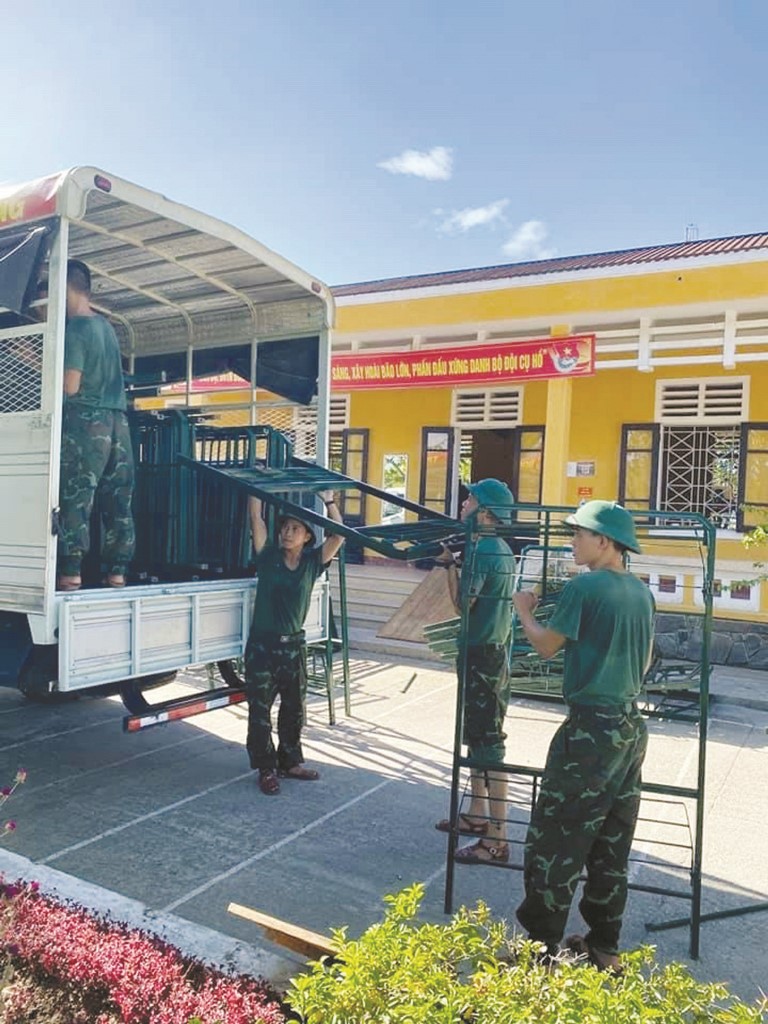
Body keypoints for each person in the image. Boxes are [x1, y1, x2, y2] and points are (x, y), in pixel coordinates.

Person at [512, 500, 655, 972]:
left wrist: (524, 611)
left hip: (590, 730)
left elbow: (546, 645)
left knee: (556, 841)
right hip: (629, 727)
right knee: (611, 843)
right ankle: (604, 947)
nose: (572, 541)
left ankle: (539, 951)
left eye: (579, 534)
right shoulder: (640, 592)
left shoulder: (585, 587)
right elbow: (647, 661)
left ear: (605, 542)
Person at [434, 478, 516, 863]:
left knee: (487, 746)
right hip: (489, 652)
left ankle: (496, 838)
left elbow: (460, 605)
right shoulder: (498, 548)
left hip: (483, 654)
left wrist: (449, 566)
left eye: (469, 500)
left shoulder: (484, 551)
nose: (463, 504)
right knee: (477, 738)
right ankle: (477, 816)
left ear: (484, 513)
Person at [245, 490, 345, 795]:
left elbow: (339, 534)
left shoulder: (313, 563)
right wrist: (255, 489)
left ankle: (290, 761)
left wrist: (329, 501)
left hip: (293, 646)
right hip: (263, 646)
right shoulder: (268, 557)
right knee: (260, 711)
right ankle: (266, 767)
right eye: (285, 528)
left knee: (293, 709)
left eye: (295, 529)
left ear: (306, 537)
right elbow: (256, 519)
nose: (287, 533)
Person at [57, 260, 135, 591]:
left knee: (76, 496)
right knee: (118, 501)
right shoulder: (106, 327)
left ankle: (71, 573)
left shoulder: (75, 329)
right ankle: (117, 572)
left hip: (87, 424)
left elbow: (71, 386)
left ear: (65, 288)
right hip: (118, 422)